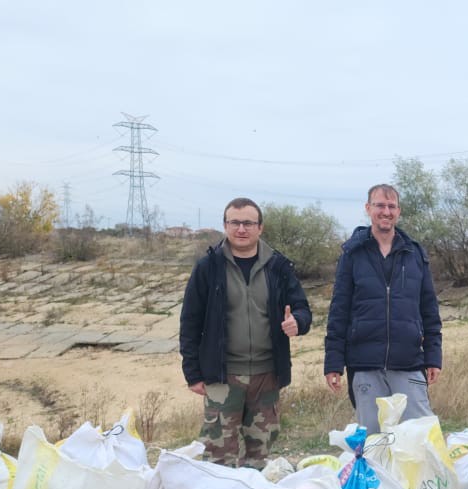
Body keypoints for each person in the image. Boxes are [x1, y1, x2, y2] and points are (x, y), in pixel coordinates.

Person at [178, 197, 312, 468]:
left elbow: (303, 309)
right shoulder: (208, 267)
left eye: (248, 223)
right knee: (218, 458)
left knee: (259, 457)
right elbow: (190, 323)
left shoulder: (279, 267)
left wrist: (298, 321)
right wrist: (192, 373)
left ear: (260, 227)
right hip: (222, 376)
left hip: (267, 376)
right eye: (235, 222)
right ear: (225, 225)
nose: (241, 229)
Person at [323, 184, 443, 433]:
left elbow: (429, 309)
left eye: (391, 206)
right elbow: (339, 311)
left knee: (420, 437)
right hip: (365, 364)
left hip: (408, 362)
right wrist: (333, 363)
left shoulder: (415, 253)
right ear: (368, 209)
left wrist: (433, 357)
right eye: (379, 205)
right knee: (373, 442)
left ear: (398, 211)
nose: (385, 211)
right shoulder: (352, 254)